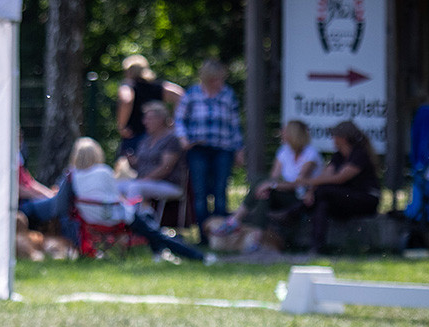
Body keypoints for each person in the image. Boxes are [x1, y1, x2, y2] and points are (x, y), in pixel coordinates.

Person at [23, 137, 211, 263]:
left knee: (149, 225)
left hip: (90, 220)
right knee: (153, 228)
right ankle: (195, 256)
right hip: (115, 218)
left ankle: (159, 253)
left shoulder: (71, 176)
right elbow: (115, 199)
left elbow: (62, 205)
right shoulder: (103, 171)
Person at [213, 120, 321, 241]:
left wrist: (272, 185)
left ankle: (235, 220)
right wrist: (270, 185)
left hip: (300, 198)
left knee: (261, 183)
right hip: (284, 192)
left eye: (284, 131)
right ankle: (257, 236)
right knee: (264, 192)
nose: (281, 134)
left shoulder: (310, 154)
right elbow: (273, 177)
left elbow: (298, 183)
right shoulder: (284, 151)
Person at [176, 59, 244, 244]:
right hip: (198, 149)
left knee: (221, 192)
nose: (219, 83)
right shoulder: (192, 94)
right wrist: (184, 139)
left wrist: (239, 149)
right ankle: (204, 237)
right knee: (200, 194)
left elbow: (234, 124)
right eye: (215, 80)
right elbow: (180, 119)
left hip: (223, 149)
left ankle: (221, 237)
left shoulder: (228, 95)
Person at [293, 119, 380, 254]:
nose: (332, 139)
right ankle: (316, 247)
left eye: (334, 136)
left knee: (325, 192)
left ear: (343, 138)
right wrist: (311, 190)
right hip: (346, 200)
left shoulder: (359, 154)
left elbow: (339, 178)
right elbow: (324, 176)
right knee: (322, 203)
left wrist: (307, 182)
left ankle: (294, 212)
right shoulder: (339, 156)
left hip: (366, 200)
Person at [115, 54, 184, 158]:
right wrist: (173, 120)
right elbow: (180, 95)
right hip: (158, 137)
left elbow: (126, 100)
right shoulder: (157, 86)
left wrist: (122, 126)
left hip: (134, 136)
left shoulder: (128, 86)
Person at [119, 101, 187, 205]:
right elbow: (140, 165)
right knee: (116, 186)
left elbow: (166, 167)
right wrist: (132, 161)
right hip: (144, 182)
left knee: (134, 187)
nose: (144, 122)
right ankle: (114, 220)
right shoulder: (145, 140)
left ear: (160, 120)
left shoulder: (171, 139)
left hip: (168, 184)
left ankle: (133, 220)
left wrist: (146, 179)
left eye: (149, 119)